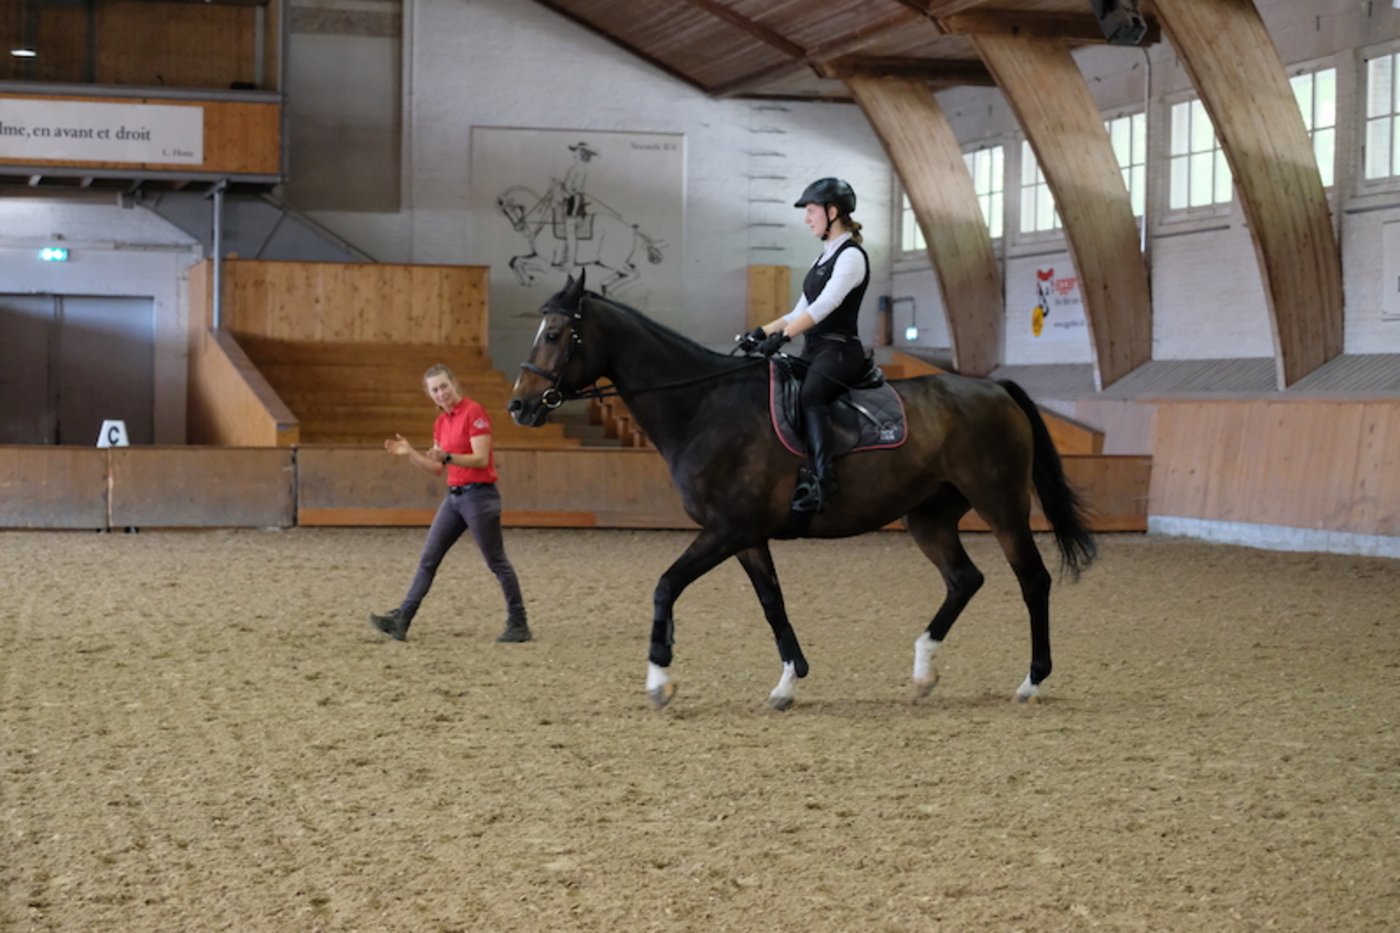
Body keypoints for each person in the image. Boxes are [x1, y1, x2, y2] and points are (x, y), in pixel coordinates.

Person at [368, 364, 531, 643]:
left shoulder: (474, 412)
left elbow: (480, 458)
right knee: (428, 559)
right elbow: (435, 467)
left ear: (454, 384)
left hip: (480, 497)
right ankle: (402, 619)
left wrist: (448, 457)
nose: (441, 393)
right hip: (454, 498)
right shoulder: (440, 423)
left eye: (444, 386)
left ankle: (519, 622)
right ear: (429, 395)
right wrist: (410, 453)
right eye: (435, 390)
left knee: (496, 561)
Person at [740, 176, 870, 513]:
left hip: (840, 350)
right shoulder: (822, 259)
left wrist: (783, 337)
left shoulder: (851, 257)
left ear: (832, 211)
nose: (806, 218)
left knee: (811, 395)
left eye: (811, 211)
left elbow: (825, 305)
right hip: (814, 349)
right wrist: (760, 332)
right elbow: (798, 311)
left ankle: (823, 482)